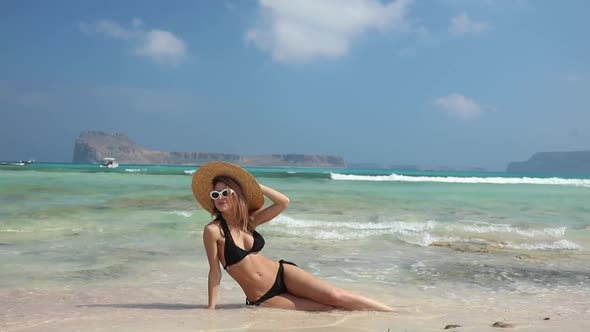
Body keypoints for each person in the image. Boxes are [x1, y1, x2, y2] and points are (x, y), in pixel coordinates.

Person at [192, 161, 394, 311]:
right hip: (263, 297)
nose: (220, 198)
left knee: (335, 296)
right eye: (215, 195)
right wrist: (211, 310)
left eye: (225, 192)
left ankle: (393, 313)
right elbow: (215, 271)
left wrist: (254, 186)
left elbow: (283, 202)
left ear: (235, 194)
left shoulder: (249, 222)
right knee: (328, 310)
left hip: (283, 273)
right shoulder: (213, 231)